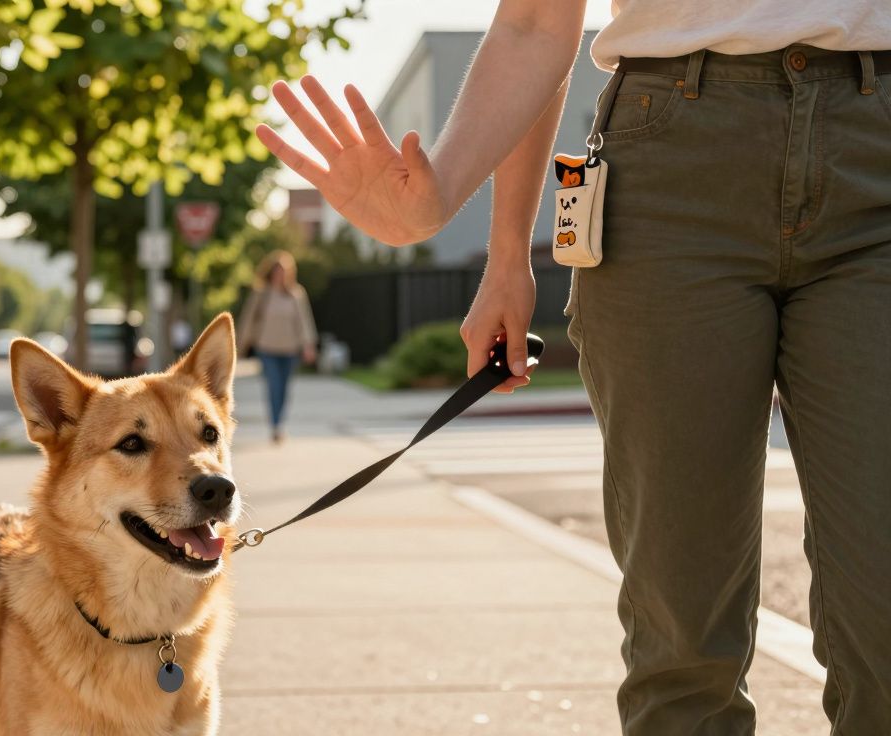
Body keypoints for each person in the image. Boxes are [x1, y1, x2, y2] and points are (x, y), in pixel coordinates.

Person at [256, 1, 891, 733]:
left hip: (875, 152)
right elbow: (535, 24)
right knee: (682, 632)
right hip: (671, 174)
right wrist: (493, 249)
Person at [237, 251, 318, 443]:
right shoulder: (261, 294)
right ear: (271, 272)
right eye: (277, 270)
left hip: (290, 349)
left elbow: (304, 321)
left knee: (284, 389)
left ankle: (279, 421)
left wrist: (308, 345)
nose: (280, 274)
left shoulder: (296, 294)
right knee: (273, 386)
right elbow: (248, 320)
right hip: (267, 348)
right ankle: (275, 426)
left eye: (284, 271)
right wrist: (240, 344)